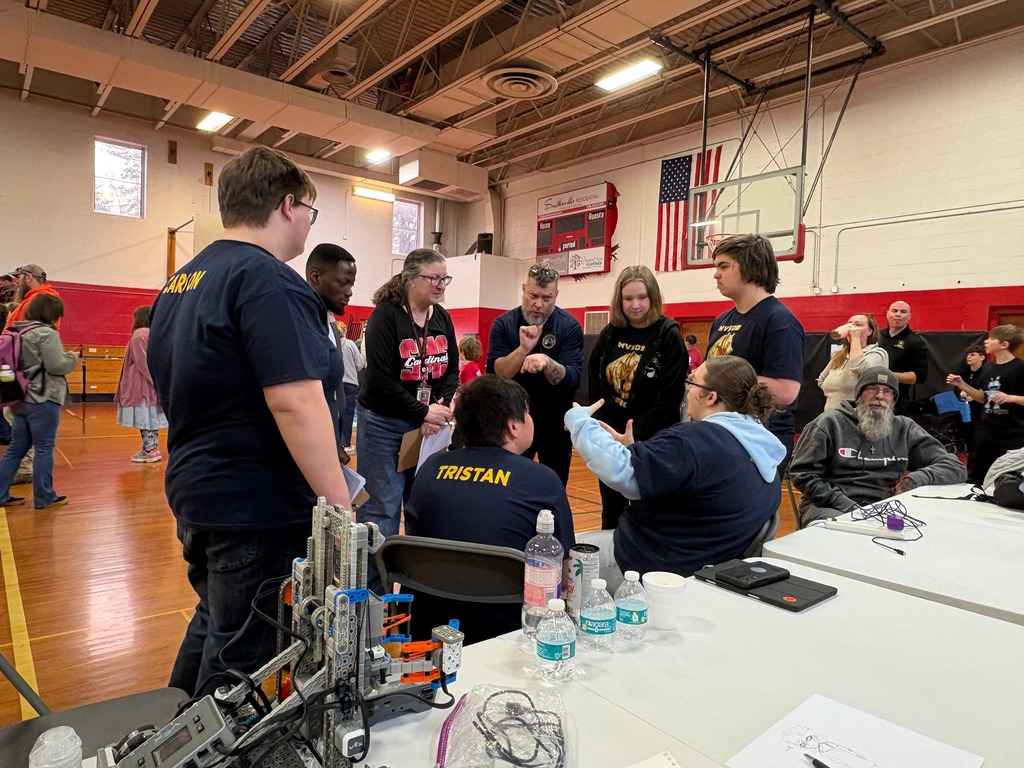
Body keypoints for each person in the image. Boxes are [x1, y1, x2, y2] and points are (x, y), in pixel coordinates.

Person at [148, 146, 351, 696]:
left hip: (198, 489)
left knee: (216, 624)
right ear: (288, 206)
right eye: (310, 209)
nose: (310, 221)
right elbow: (295, 401)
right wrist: (342, 506)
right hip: (252, 503)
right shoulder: (270, 281)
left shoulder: (183, 280)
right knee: (243, 660)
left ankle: (173, 737)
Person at [565, 356, 785, 592]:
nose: (688, 389)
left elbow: (622, 472)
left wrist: (579, 423)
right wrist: (637, 454)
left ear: (711, 397)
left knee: (551, 554)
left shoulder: (696, 440)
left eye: (694, 383)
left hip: (649, 563)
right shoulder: (765, 449)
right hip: (708, 568)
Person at [356, 248, 458, 560]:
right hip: (384, 425)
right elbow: (382, 380)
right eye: (434, 278)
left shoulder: (441, 317)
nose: (440, 285)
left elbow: (451, 368)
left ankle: (416, 585)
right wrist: (423, 411)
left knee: (422, 506)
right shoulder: (386, 317)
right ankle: (374, 593)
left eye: (445, 279)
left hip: (427, 427)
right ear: (411, 279)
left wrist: (436, 409)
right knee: (381, 511)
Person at [407, 375, 574, 554]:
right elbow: (565, 571)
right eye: (527, 413)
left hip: (426, 581)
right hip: (506, 582)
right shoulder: (543, 480)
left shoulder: (430, 466)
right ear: (513, 426)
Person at [790, 367, 967, 527]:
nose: (880, 396)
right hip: (829, 506)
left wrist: (916, 479)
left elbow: (955, 467)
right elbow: (802, 474)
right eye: (872, 389)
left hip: (883, 508)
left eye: (887, 391)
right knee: (843, 536)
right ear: (859, 394)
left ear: (893, 400)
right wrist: (848, 506)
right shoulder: (828, 423)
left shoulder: (904, 428)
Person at [588, 266, 687, 529]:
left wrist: (635, 437)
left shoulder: (668, 335)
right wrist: (605, 429)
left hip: (652, 442)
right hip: (612, 439)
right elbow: (595, 380)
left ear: (652, 296)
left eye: (642, 297)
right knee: (611, 513)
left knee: (648, 514)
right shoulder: (610, 333)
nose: (635, 305)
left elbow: (669, 397)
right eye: (628, 299)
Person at [705, 235, 804, 462]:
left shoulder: (780, 321)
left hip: (759, 440)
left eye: (724, 266)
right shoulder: (721, 320)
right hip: (721, 433)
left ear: (750, 267)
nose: (716, 274)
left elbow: (787, 392)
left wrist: (719, 379)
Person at [488, 261, 584, 486]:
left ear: (556, 294)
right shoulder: (504, 325)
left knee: (554, 488)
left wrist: (546, 362)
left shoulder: (569, 327)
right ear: (523, 289)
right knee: (509, 488)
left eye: (547, 298)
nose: (538, 304)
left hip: (554, 425)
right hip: (512, 422)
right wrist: (522, 350)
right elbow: (496, 374)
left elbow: (572, 378)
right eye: (533, 295)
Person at [0, 294, 77, 510]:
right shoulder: (46, 334)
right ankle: (44, 496)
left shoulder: (17, 331)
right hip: (42, 398)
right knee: (44, 447)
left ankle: (0, 492)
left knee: (16, 448)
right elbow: (56, 366)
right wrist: (72, 358)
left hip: (18, 397)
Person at [3, 264, 61, 484]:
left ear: (28, 277)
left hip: (24, 372)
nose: (16, 283)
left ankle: (28, 466)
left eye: (19, 279)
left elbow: (31, 338)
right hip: (20, 370)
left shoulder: (40, 300)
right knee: (17, 418)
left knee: (21, 419)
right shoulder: (35, 300)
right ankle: (28, 467)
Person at [946, 325, 1024, 485]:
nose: (987, 342)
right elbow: (983, 397)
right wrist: (963, 385)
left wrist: (1012, 398)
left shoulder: (1020, 368)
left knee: (1005, 481)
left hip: (1012, 436)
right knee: (974, 478)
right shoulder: (988, 368)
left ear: (1004, 345)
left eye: (992, 339)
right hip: (985, 433)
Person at [305, 243, 357, 461]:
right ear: (316, 277)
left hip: (330, 438)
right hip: (309, 445)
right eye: (343, 283)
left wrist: (336, 440)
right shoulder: (301, 322)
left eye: (351, 284)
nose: (350, 291)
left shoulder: (330, 323)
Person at [114, 306, 167, 463]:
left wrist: (154, 380)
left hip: (141, 386)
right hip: (151, 385)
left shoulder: (138, 335)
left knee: (145, 418)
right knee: (152, 418)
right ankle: (152, 448)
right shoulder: (155, 334)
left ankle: (150, 450)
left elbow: (142, 362)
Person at [816, 313, 889, 411]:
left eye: (858, 325)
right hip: (832, 416)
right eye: (849, 324)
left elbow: (858, 368)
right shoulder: (840, 355)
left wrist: (855, 338)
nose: (852, 328)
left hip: (858, 417)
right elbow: (821, 379)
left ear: (870, 331)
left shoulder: (877, 353)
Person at [877, 300, 928, 413]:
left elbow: (920, 376)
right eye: (894, 311)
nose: (898, 314)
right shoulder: (876, 336)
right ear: (887, 314)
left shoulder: (915, 342)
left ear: (909, 316)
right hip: (871, 396)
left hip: (896, 401)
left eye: (903, 312)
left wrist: (889, 375)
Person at [950, 343, 986, 453]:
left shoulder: (986, 372)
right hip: (965, 406)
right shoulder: (964, 371)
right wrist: (961, 392)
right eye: (968, 355)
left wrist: (974, 396)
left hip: (980, 408)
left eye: (973, 355)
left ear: (982, 357)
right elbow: (957, 387)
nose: (969, 357)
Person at [338, 322, 363, 454]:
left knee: (335, 413)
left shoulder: (330, 344)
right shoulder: (350, 344)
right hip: (350, 383)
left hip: (335, 384)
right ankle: (346, 444)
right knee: (348, 414)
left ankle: (336, 443)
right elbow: (360, 364)